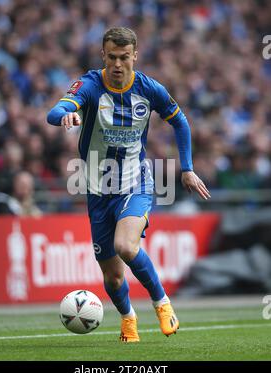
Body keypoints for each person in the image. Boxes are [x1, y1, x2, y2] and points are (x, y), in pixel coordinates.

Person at [47, 27, 210, 342]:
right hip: (97, 189)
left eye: (124, 57)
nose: (118, 64)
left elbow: (180, 121)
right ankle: (128, 318)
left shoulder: (150, 89)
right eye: (112, 57)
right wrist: (67, 114)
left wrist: (187, 168)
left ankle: (162, 303)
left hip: (135, 181)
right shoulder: (91, 85)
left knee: (126, 245)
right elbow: (56, 110)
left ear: (135, 55)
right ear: (103, 56)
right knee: (112, 275)